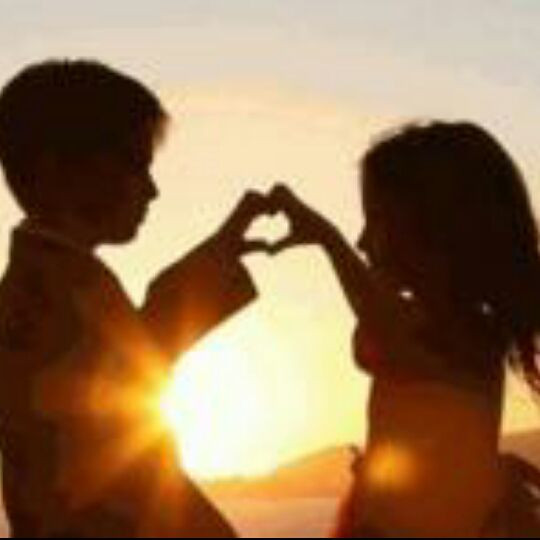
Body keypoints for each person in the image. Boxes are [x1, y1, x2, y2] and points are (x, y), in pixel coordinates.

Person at [0, 60, 273, 537]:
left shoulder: (58, 285)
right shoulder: (42, 304)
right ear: (56, 170)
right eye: (135, 164)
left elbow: (125, 365)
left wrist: (217, 256)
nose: (151, 190)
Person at [270, 122, 540, 537]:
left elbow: (383, 325)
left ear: (433, 227)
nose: (362, 241)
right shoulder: (434, 324)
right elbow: (380, 326)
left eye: (375, 220)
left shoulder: (469, 334)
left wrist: (326, 237)